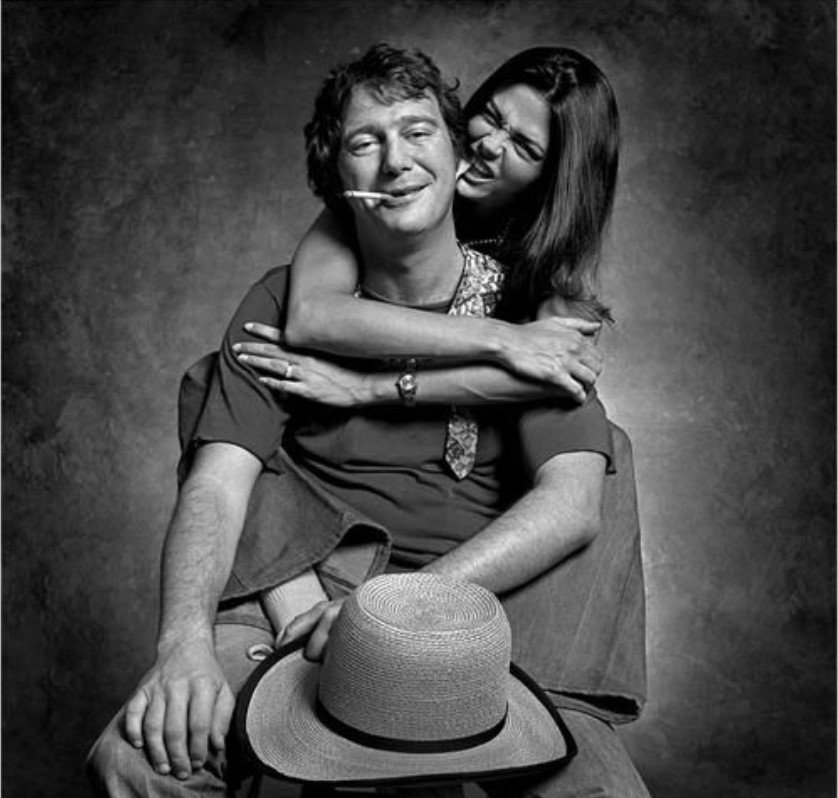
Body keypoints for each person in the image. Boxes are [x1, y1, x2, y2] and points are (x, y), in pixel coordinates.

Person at [87, 43, 648, 798]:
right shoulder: (289, 298)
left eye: (418, 132)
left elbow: (573, 502)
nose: (396, 161)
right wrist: (181, 644)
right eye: (365, 143)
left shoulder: (536, 310)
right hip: (301, 589)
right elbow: (217, 485)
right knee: (138, 761)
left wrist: (391, 614)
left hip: (473, 609)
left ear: (453, 156)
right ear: (338, 179)